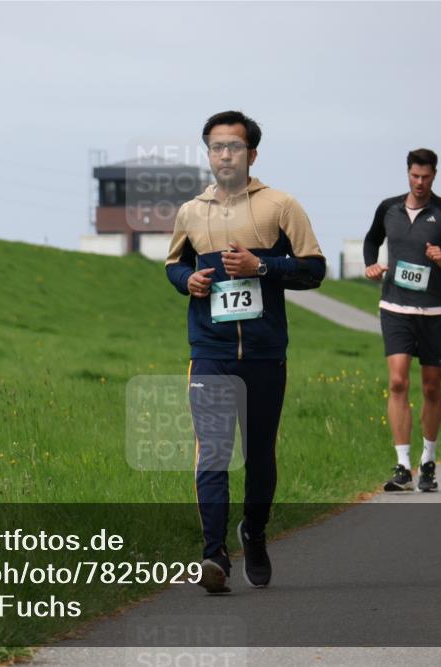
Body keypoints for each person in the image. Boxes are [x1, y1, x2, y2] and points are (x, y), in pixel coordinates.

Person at [165, 110, 326, 594]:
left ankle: (253, 532)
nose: (225, 155)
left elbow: (314, 270)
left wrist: (262, 267)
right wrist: (187, 281)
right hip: (209, 350)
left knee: (259, 457)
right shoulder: (192, 211)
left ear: (252, 154)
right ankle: (213, 554)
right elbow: (174, 264)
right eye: (216, 147)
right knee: (213, 452)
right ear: (208, 154)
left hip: (263, 352)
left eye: (234, 147)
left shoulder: (281, 206)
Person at [363, 148, 441, 493]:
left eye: (426, 177)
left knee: (431, 387)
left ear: (434, 176)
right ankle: (403, 466)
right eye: (415, 176)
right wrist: (371, 264)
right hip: (395, 307)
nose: (420, 182)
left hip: (436, 312)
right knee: (397, 382)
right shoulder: (388, 208)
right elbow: (372, 239)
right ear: (407, 174)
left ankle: (428, 461)